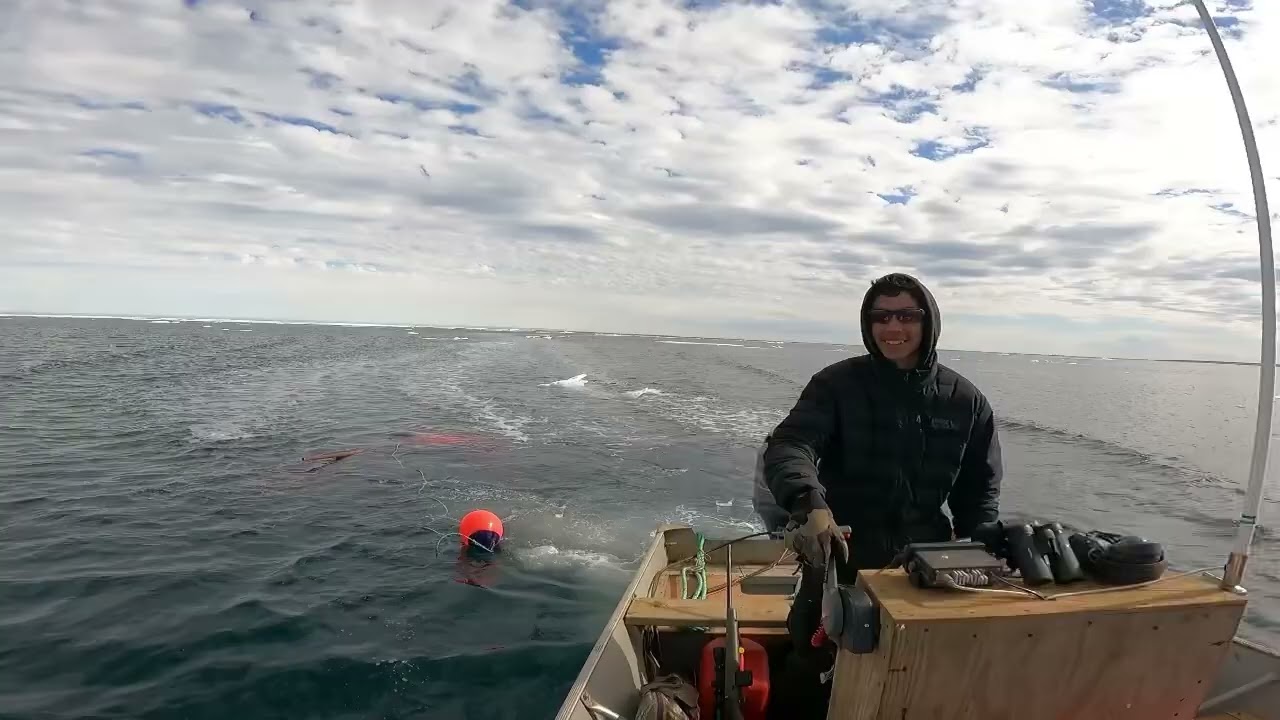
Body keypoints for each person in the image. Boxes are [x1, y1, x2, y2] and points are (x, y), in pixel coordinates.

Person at [763, 272, 1003, 717]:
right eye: (881, 317)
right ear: (868, 324)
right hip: (842, 555)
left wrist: (988, 552)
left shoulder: (966, 400)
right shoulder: (836, 385)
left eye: (906, 315)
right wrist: (810, 503)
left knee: (916, 674)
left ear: (928, 321)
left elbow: (979, 495)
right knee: (812, 659)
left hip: (923, 567)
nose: (893, 328)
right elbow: (790, 445)